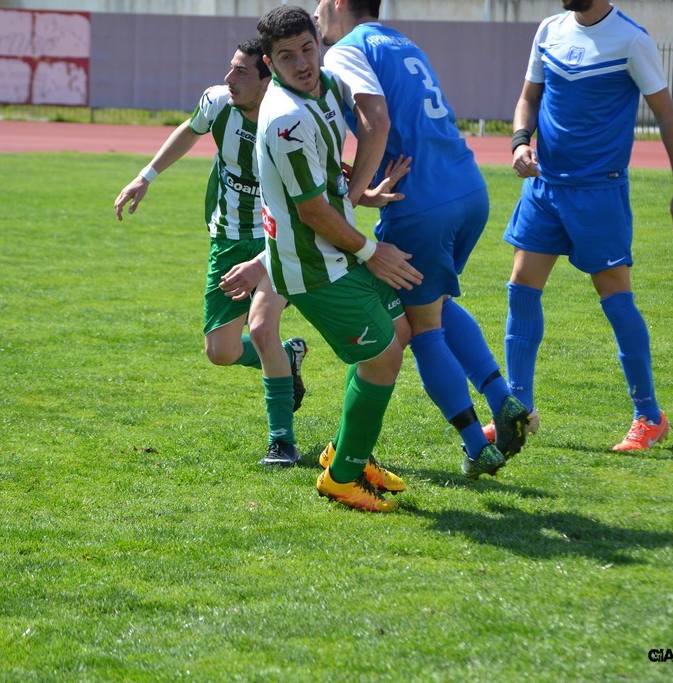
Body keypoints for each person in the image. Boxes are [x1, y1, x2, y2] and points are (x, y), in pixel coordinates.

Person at [313, 0, 531, 480]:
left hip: (421, 200)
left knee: (423, 326)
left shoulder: (346, 49)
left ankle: (477, 445)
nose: (315, 12)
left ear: (340, 3)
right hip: (468, 188)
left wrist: (352, 195)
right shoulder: (402, 42)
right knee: (435, 304)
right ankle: (503, 400)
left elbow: (376, 122)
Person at [249, 5, 421, 512]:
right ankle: (342, 479)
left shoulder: (324, 83)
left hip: (335, 248)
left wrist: (358, 188)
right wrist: (372, 251)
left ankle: (346, 452)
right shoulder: (285, 119)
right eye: (287, 56)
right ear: (270, 63)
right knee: (383, 356)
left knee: (398, 332)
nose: (302, 63)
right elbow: (312, 212)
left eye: (307, 48)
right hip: (312, 265)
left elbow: (367, 124)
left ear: (318, 43)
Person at [502, 0, 673, 451]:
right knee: (521, 287)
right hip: (544, 187)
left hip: (599, 193)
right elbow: (529, 98)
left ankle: (649, 417)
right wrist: (520, 142)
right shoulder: (549, 30)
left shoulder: (632, 40)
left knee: (616, 298)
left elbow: (666, 116)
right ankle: (518, 411)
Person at [113, 39, 310, 467]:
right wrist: (146, 176)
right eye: (230, 68)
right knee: (221, 351)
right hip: (228, 238)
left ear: (267, 80)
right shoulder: (218, 102)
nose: (228, 78)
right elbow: (190, 129)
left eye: (241, 72)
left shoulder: (290, 120)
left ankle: (282, 442)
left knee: (262, 330)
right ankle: (289, 355)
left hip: (278, 241)